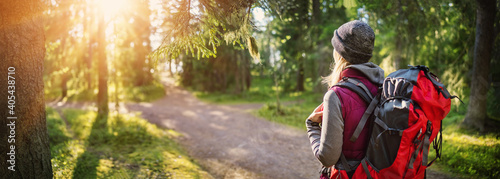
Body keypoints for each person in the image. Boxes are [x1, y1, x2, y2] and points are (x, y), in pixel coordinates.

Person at [306, 20, 384, 178]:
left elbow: (328, 158)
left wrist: (312, 126)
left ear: (340, 54)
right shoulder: (383, 86)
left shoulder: (336, 95)